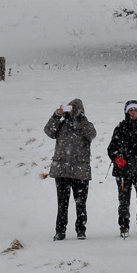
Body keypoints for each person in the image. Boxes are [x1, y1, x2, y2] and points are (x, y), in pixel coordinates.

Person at [44, 98, 96, 241]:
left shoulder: (85, 125)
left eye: (74, 108)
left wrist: (80, 117)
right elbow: (48, 131)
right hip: (62, 171)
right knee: (62, 204)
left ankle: (81, 230)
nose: (71, 111)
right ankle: (60, 231)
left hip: (80, 171)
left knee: (81, 204)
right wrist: (57, 115)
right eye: (70, 108)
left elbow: (92, 134)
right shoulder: (61, 125)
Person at [106, 101, 137, 238]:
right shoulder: (120, 128)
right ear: (126, 112)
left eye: (135, 110)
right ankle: (124, 227)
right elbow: (111, 148)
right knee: (124, 200)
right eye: (130, 110)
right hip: (122, 171)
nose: (133, 113)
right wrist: (116, 158)